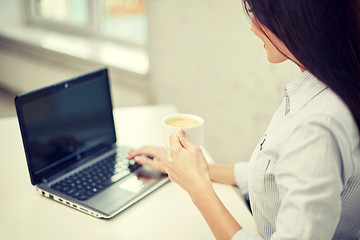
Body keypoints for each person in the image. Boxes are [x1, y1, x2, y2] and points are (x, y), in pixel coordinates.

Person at [128, 0, 360, 239]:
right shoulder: (323, 90)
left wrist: (198, 187)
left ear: (296, 20)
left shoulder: (318, 126)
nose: (253, 26)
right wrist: (193, 169)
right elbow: (274, 174)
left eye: (257, 14)